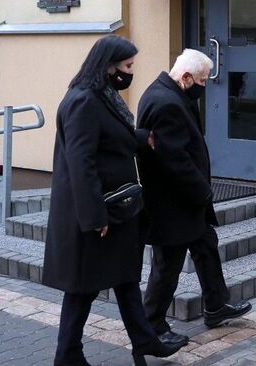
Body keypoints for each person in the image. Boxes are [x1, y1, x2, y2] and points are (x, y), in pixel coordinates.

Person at [43, 35, 186, 366]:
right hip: (94, 213)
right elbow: (81, 164)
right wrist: (95, 217)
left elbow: (108, 138)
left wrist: (141, 139)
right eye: (128, 66)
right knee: (83, 288)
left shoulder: (102, 96)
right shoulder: (84, 101)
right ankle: (68, 355)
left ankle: (144, 341)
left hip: (115, 208)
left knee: (124, 277)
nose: (131, 72)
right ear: (109, 67)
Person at [138, 49, 251, 340]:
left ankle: (216, 304)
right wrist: (202, 191)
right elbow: (173, 159)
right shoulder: (165, 102)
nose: (204, 86)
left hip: (185, 200)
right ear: (186, 77)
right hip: (173, 203)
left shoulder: (170, 93)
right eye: (202, 81)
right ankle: (152, 326)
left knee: (206, 245)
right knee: (167, 266)